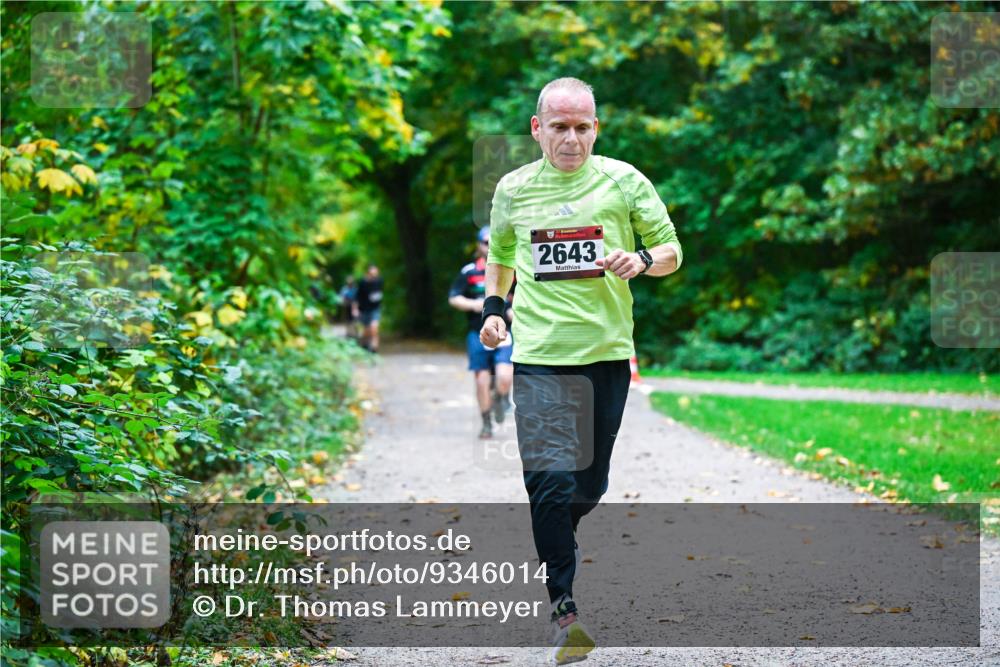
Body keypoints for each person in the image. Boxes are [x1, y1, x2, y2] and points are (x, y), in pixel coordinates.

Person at [479, 77, 683, 665]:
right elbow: (502, 256)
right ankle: (564, 611)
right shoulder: (513, 188)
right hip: (540, 356)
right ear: (537, 129)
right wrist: (493, 310)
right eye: (560, 127)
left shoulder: (624, 181)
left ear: (597, 128)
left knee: (587, 487)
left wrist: (641, 259)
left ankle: (556, 532)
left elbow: (671, 250)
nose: (571, 139)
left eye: (582, 127)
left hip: (606, 353)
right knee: (548, 480)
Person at [448, 226, 515, 439]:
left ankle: (501, 398)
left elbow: (519, 296)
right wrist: (474, 305)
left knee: (504, 377)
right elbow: (454, 297)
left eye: (493, 241)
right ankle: (486, 422)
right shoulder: (469, 272)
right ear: (479, 246)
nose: (489, 246)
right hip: (477, 332)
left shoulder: (510, 269)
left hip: (504, 332)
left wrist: (514, 311)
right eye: (486, 242)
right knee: (482, 380)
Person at [354, 264, 383, 353]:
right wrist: (355, 309)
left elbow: (378, 294)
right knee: (366, 331)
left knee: (374, 327)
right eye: (372, 274)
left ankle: (374, 348)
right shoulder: (362, 283)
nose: (374, 276)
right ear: (368, 274)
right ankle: (364, 345)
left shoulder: (379, 281)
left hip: (375, 309)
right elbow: (357, 297)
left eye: (375, 274)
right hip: (364, 309)